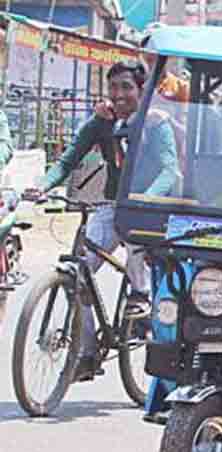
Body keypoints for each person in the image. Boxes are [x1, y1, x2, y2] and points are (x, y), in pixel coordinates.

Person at [29, 61, 179, 382]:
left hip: (148, 209)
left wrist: (145, 198)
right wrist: (40, 187)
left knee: (136, 242)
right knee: (78, 270)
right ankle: (85, 350)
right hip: (113, 206)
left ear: (142, 90)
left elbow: (171, 171)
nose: (118, 95)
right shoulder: (102, 121)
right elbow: (68, 160)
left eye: (126, 87)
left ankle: (142, 297)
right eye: (113, 88)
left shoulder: (156, 123)